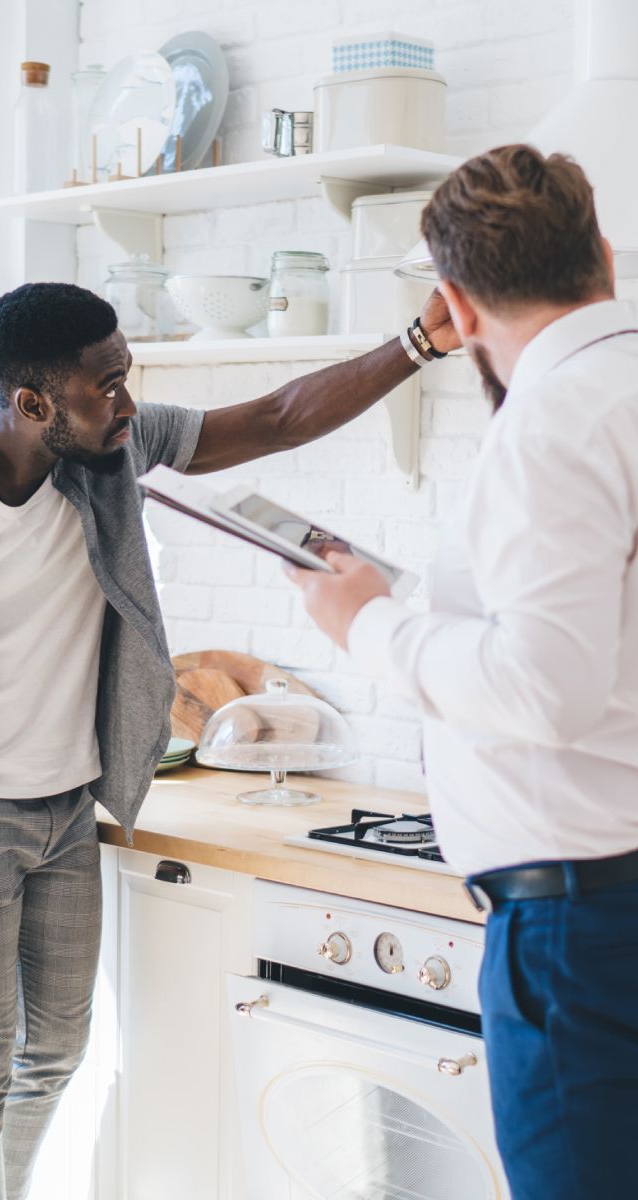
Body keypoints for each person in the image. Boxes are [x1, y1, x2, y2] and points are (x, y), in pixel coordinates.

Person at [0, 281, 458, 1199]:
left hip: (69, 815)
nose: (127, 400)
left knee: (56, 1056)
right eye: (106, 384)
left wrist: (418, 345)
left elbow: (273, 417)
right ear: (33, 403)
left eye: (127, 376)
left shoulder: (115, 449)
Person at [288, 144, 638, 1200]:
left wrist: (372, 625)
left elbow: (548, 686)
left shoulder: (552, 420)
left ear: (455, 303)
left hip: (578, 924)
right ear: (604, 257)